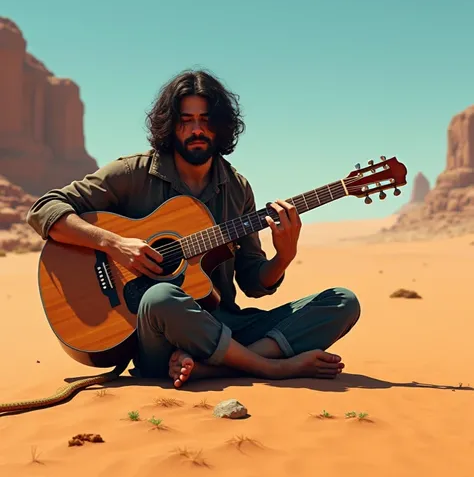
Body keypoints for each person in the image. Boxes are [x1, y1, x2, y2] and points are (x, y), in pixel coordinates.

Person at [27, 70, 360, 389]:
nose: (196, 129)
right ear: (171, 126)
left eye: (206, 120)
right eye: (186, 120)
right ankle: (268, 365)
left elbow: (253, 282)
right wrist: (113, 243)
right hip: (160, 337)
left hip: (223, 325)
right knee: (160, 296)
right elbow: (45, 209)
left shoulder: (237, 188)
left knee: (342, 302)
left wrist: (284, 257)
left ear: (221, 128)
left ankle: (215, 367)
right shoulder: (134, 173)